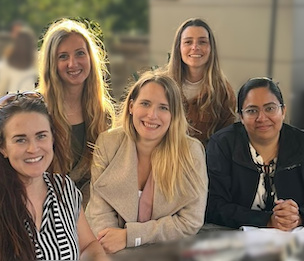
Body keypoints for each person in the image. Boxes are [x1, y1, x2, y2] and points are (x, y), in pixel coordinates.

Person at [0, 92, 108, 261]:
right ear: (2, 147)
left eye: (41, 136)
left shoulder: (64, 190)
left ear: (52, 139)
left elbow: (88, 246)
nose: (33, 149)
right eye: (20, 140)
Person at [85, 71, 208, 254]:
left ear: (173, 114)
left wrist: (131, 236)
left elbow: (190, 220)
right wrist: (112, 246)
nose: (152, 115)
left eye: (163, 108)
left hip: (165, 252)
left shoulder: (191, 152)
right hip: (112, 251)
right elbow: (99, 212)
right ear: (132, 106)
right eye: (145, 104)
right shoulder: (108, 143)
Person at [206, 77, 304, 230]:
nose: (262, 118)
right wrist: (266, 220)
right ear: (241, 116)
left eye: (270, 108)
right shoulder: (222, 144)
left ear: (283, 111)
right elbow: (212, 204)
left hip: (298, 234)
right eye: (252, 111)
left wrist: (300, 216)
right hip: (234, 233)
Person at [37, 19, 115, 207]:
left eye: (80, 53)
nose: (73, 63)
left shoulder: (103, 114)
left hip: (91, 212)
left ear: (90, 58)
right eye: (63, 56)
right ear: (51, 63)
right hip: (43, 210)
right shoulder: (36, 110)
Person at [167, 18, 236, 146]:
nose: (195, 47)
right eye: (188, 42)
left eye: (202, 42)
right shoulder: (163, 85)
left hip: (203, 162)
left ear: (211, 48)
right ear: (179, 48)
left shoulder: (224, 91)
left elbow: (226, 140)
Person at [0, 28, 37, 98]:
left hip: (18, 101)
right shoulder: (9, 60)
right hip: (26, 101)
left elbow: (1, 89)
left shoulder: (35, 58)